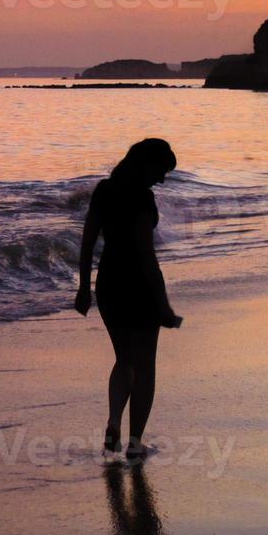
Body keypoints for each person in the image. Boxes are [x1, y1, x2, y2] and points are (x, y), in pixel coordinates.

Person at [74, 138, 182, 461]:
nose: (161, 179)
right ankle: (135, 444)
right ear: (145, 164)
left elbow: (88, 241)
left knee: (124, 359)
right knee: (145, 366)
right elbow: (146, 256)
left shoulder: (104, 191)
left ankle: (113, 421)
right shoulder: (142, 199)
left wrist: (83, 287)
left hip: (109, 283)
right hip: (140, 287)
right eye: (160, 171)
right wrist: (162, 304)